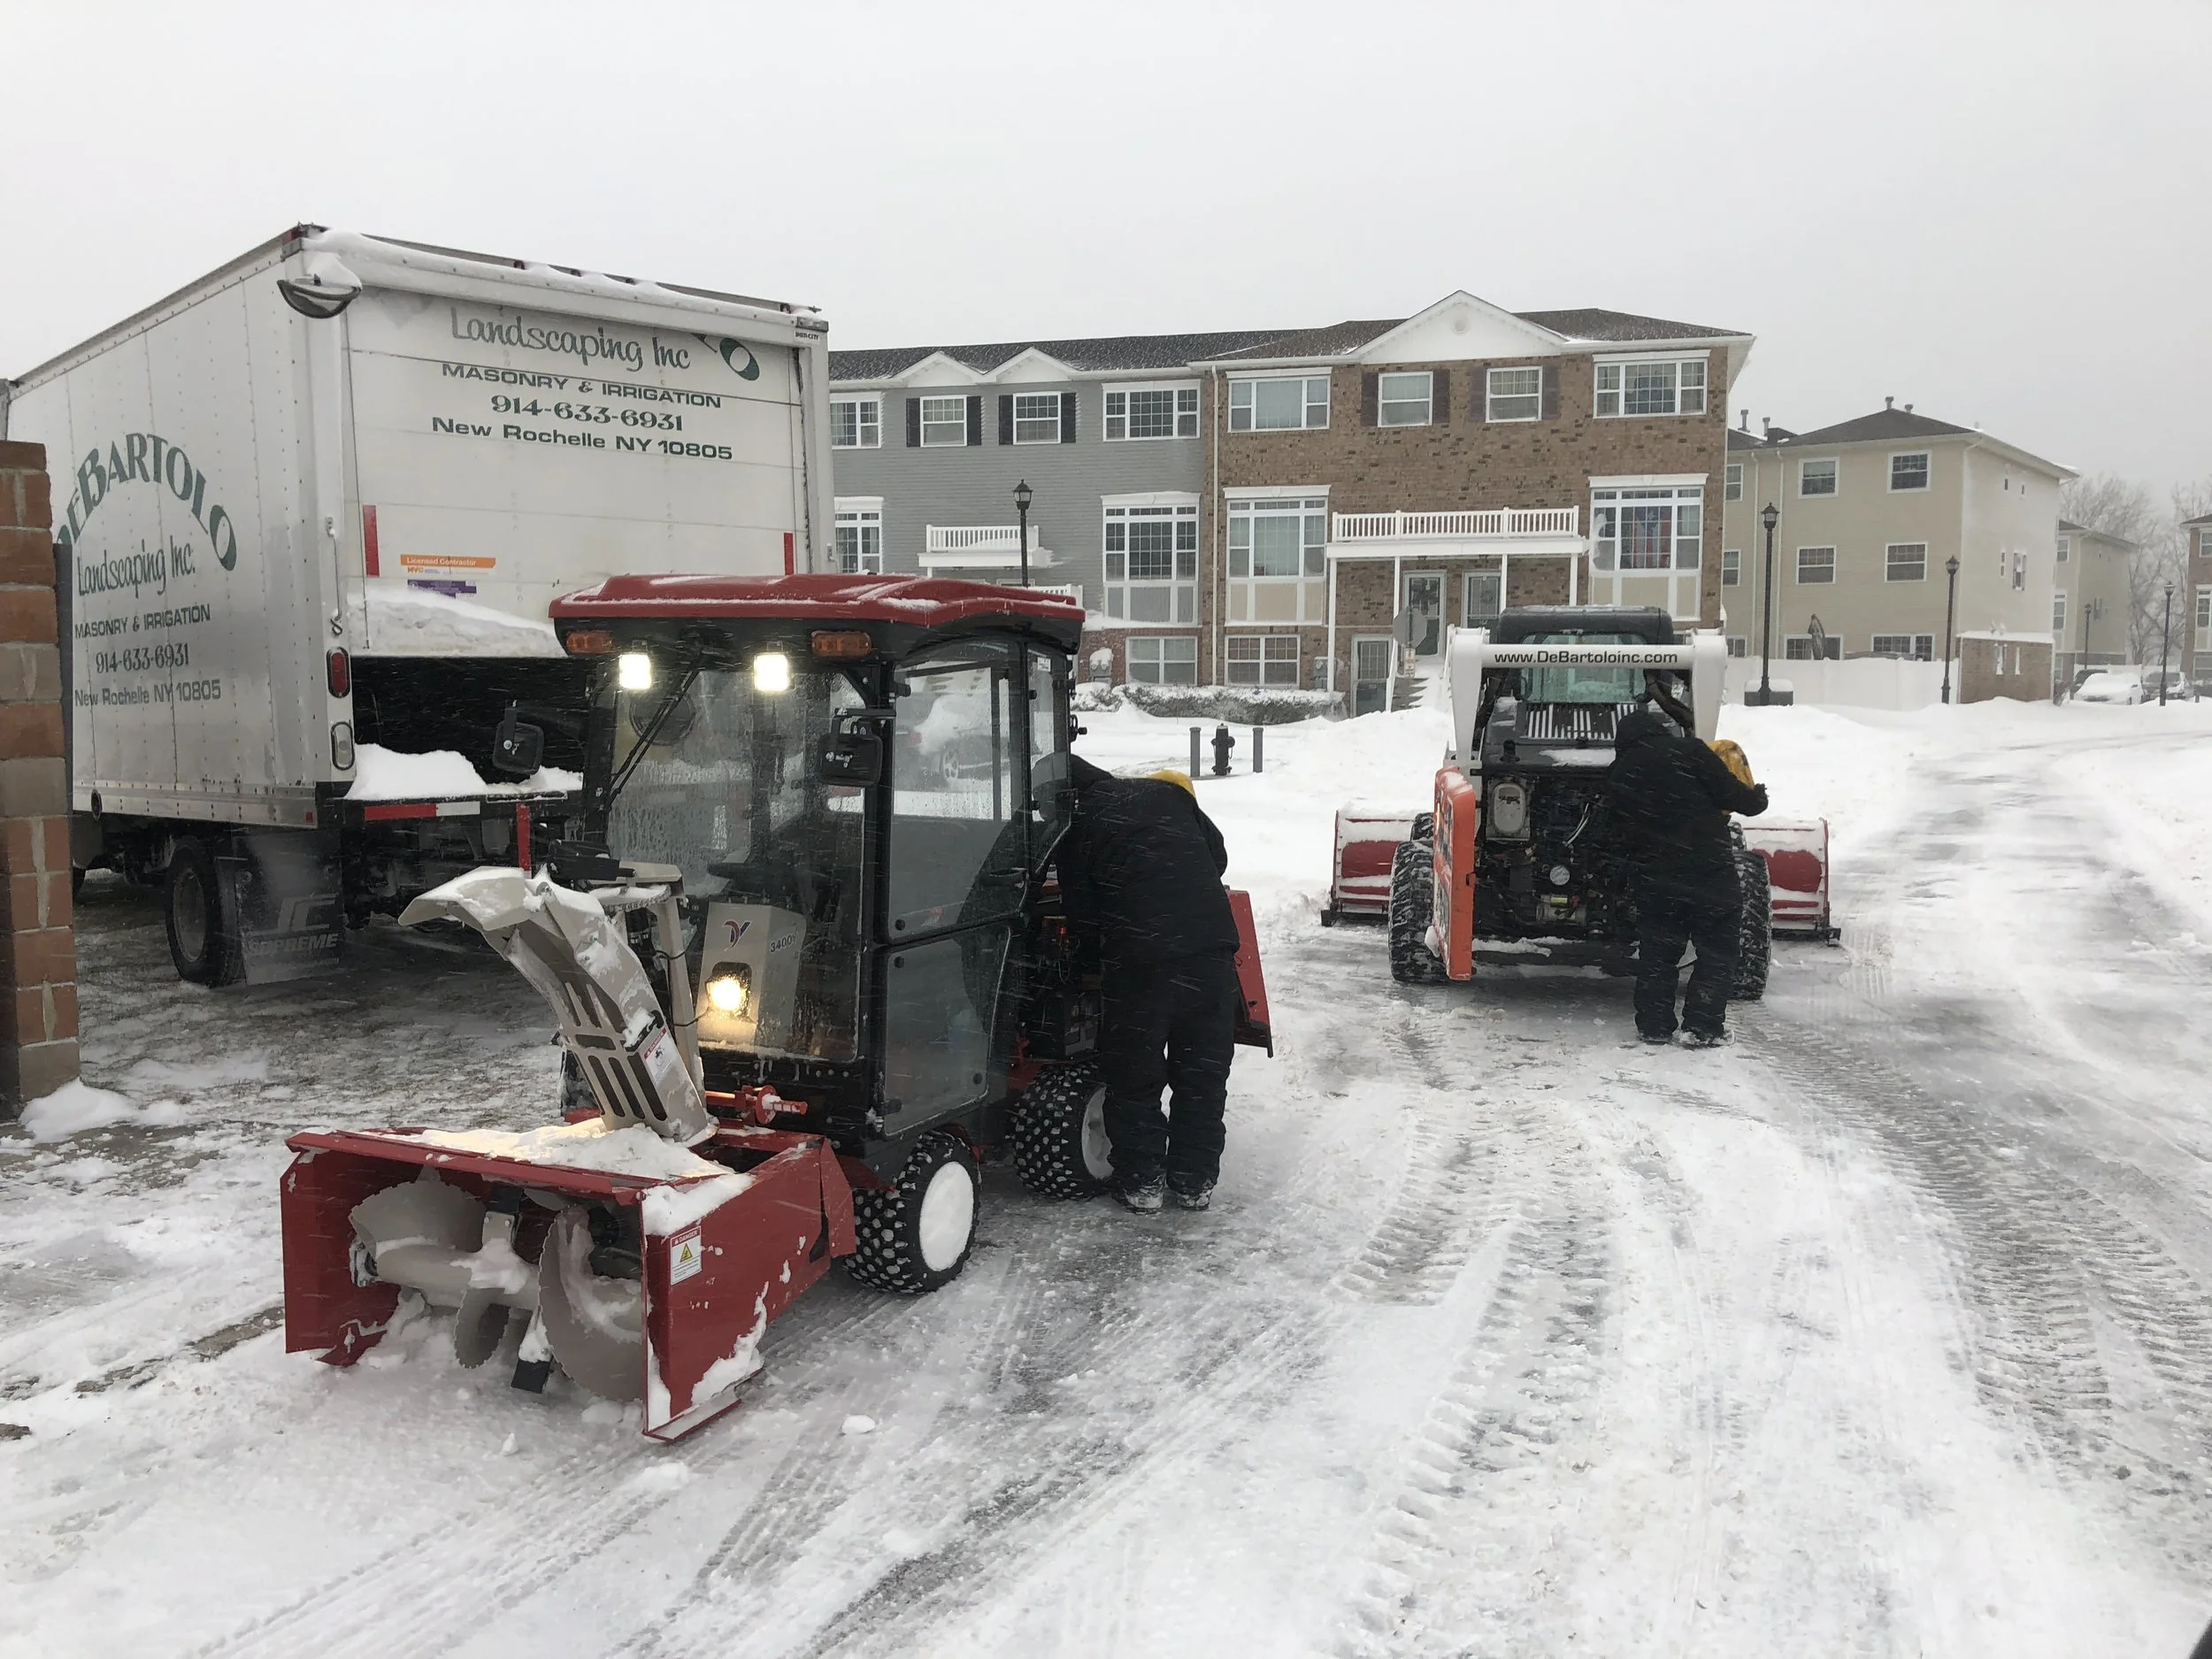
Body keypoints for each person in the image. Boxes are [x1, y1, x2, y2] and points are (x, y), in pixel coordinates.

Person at [1058, 757, 1241, 1213]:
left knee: (1134, 1075)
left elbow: (1082, 913)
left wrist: (1083, 964)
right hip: (1211, 954)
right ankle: (1193, 1180)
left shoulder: (1078, 821)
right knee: (1202, 1075)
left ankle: (1141, 1183)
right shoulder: (1168, 795)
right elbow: (1217, 856)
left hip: (1143, 963)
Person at [1606, 706, 1768, 1047]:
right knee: (1718, 951)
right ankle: (1703, 1027)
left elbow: (1615, 832)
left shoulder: (1620, 773)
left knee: (1659, 955)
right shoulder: (1690, 750)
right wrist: (1757, 798)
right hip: (1709, 869)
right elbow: (1733, 796)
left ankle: (1654, 1026)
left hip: (1658, 878)